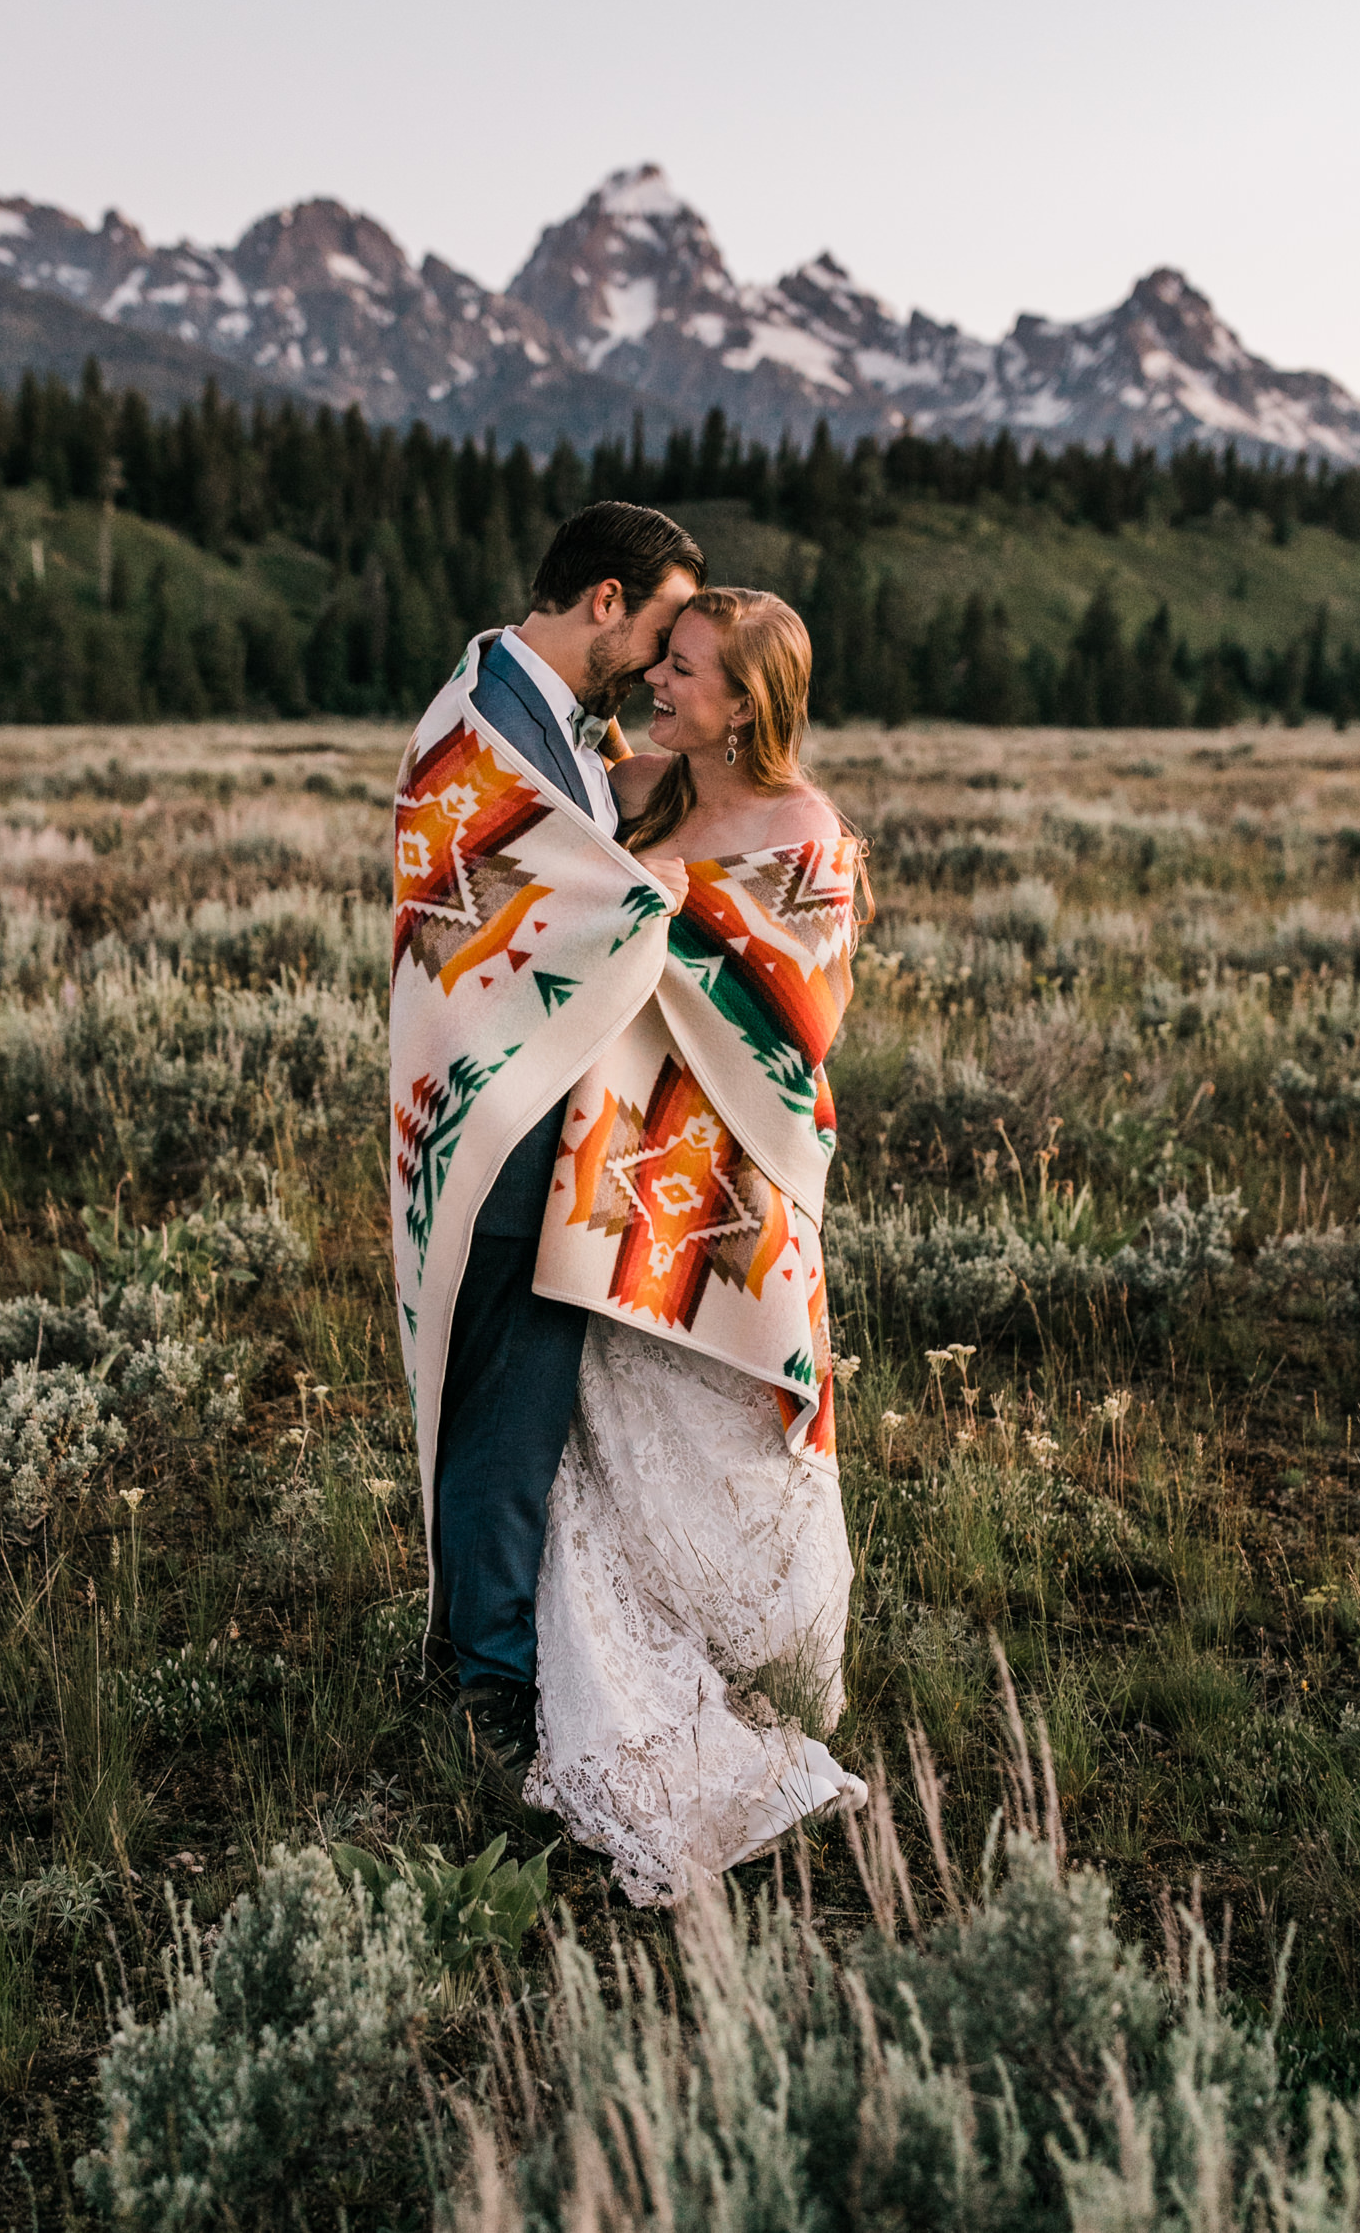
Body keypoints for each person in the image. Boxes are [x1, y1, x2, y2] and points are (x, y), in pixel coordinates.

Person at [524, 587, 871, 1904]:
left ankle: (765, 1657)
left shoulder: (806, 831)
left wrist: (689, 908)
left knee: (734, 1413)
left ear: (746, 703)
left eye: (681, 671)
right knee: (615, 1426)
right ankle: (632, 1671)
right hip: (623, 1174)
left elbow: (806, 1017)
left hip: (739, 1177)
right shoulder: (642, 788)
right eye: (660, 661)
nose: (653, 683)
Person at [434, 502, 704, 1793]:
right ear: (606, 598)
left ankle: (484, 1646)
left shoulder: (548, 721)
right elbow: (530, 884)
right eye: (657, 629)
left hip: (540, 1109)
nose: (658, 664)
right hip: (505, 1123)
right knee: (507, 1411)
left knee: (514, 1409)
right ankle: (488, 1683)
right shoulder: (486, 721)